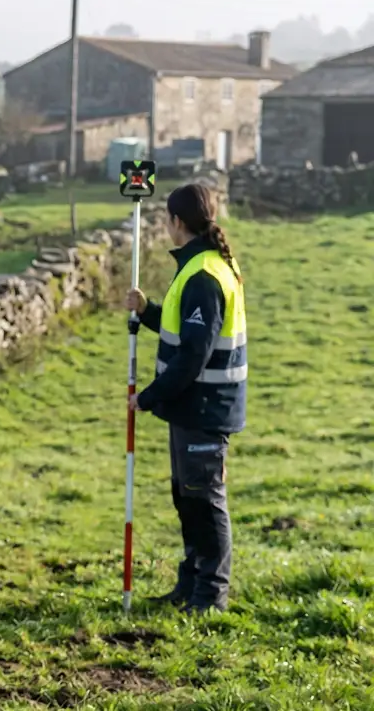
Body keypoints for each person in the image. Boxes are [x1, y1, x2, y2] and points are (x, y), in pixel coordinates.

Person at [125, 182, 246, 614]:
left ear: (176, 222)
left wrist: (149, 397)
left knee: (204, 499)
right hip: (193, 406)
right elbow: (186, 332)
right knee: (187, 497)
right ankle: (190, 585)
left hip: (204, 407)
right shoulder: (200, 267)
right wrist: (149, 312)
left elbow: (194, 354)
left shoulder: (204, 275)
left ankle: (210, 597)